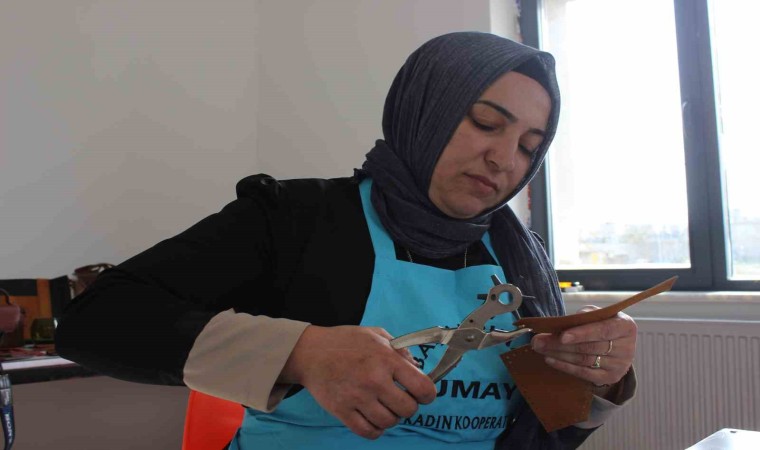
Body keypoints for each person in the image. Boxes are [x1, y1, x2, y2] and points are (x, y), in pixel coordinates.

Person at [55, 32, 637, 449]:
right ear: (425, 110)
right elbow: (95, 322)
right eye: (486, 123)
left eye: (530, 147)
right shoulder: (295, 219)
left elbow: (548, 435)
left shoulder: (518, 258)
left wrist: (597, 376)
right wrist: (303, 353)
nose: (504, 158)